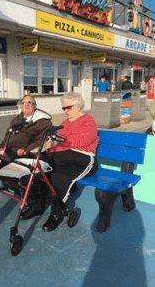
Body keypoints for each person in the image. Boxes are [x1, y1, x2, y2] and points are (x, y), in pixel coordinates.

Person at [41, 92, 99, 232]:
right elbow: (57, 139)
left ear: (78, 106)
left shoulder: (88, 120)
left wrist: (61, 141)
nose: (65, 110)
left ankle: (56, 214)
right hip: (61, 156)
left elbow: (84, 139)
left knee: (59, 177)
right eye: (64, 108)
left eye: (68, 107)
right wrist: (50, 145)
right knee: (37, 168)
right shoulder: (64, 123)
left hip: (82, 158)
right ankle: (36, 204)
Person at [0, 95, 52, 219]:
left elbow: (40, 141)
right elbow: (8, 134)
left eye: (29, 103)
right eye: (24, 102)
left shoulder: (43, 122)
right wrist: (1, 146)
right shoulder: (17, 119)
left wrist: (25, 150)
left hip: (30, 154)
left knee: (23, 173)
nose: (26, 105)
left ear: (34, 106)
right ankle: (12, 185)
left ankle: (35, 204)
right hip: (13, 151)